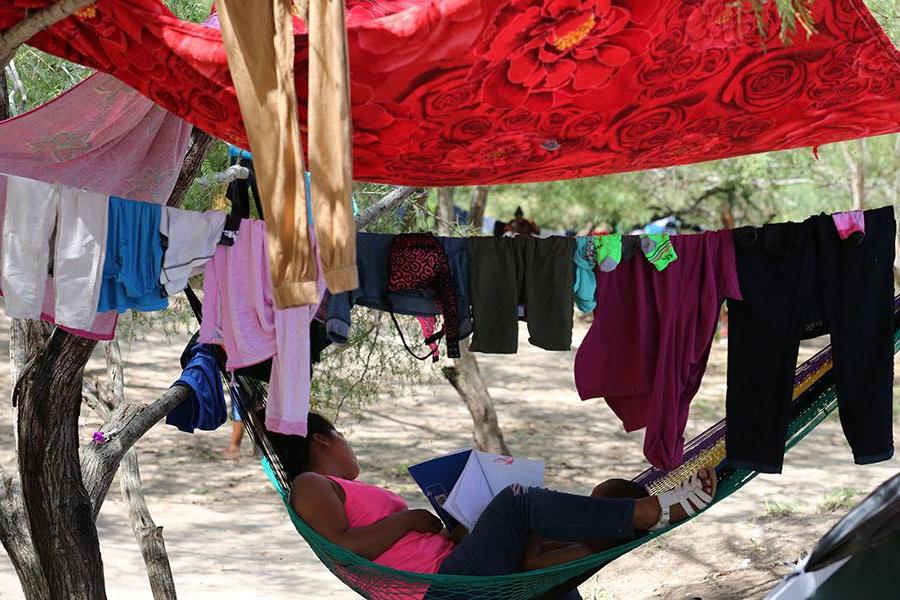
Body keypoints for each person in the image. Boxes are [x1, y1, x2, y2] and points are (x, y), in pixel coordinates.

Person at [264, 412, 717, 595]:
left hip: (457, 565)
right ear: (323, 440)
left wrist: (451, 524)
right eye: (343, 436)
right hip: (443, 589)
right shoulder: (309, 482)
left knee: (612, 493)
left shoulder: (336, 486)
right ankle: (648, 514)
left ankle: (627, 519)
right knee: (516, 503)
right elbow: (347, 545)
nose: (350, 448)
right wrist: (413, 520)